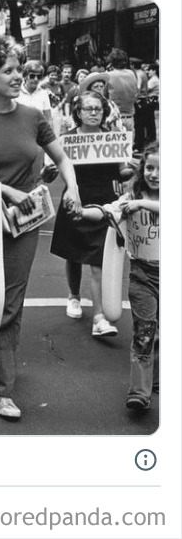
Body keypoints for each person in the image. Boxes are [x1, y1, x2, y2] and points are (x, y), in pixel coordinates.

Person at [0, 37, 81, 421]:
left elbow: (62, 158)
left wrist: (71, 188)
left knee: (10, 304)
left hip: (25, 223)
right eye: (8, 71)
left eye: (18, 70)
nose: (17, 77)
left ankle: (0, 387)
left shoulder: (32, 117)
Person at [77, 143, 159, 410]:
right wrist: (81, 212)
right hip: (142, 275)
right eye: (150, 167)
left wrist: (141, 204)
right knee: (144, 332)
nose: (155, 174)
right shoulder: (130, 198)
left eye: (162, 169)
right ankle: (139, 391)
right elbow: (106, 211)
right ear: (141, 169)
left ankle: (157, 376)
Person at [49, 91, 132, 335]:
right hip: (76, 200)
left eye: (98, 108)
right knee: (73, 255)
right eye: (89, 109)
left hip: (104, 203)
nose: (94, 112)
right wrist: (48, 173)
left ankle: (99, 317)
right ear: (79, 113)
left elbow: (123, 173)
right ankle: (73, 295)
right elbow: (55, 170)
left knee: (99, 261)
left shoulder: (113, 138)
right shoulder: (67, 140)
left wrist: (130, 171)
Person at [105, 49, 137, 133]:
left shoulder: (108, 75)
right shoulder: (132, 73)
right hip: (130, 116)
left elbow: (104, 96)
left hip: (114, 118)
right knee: (129, 145)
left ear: (111, 62)